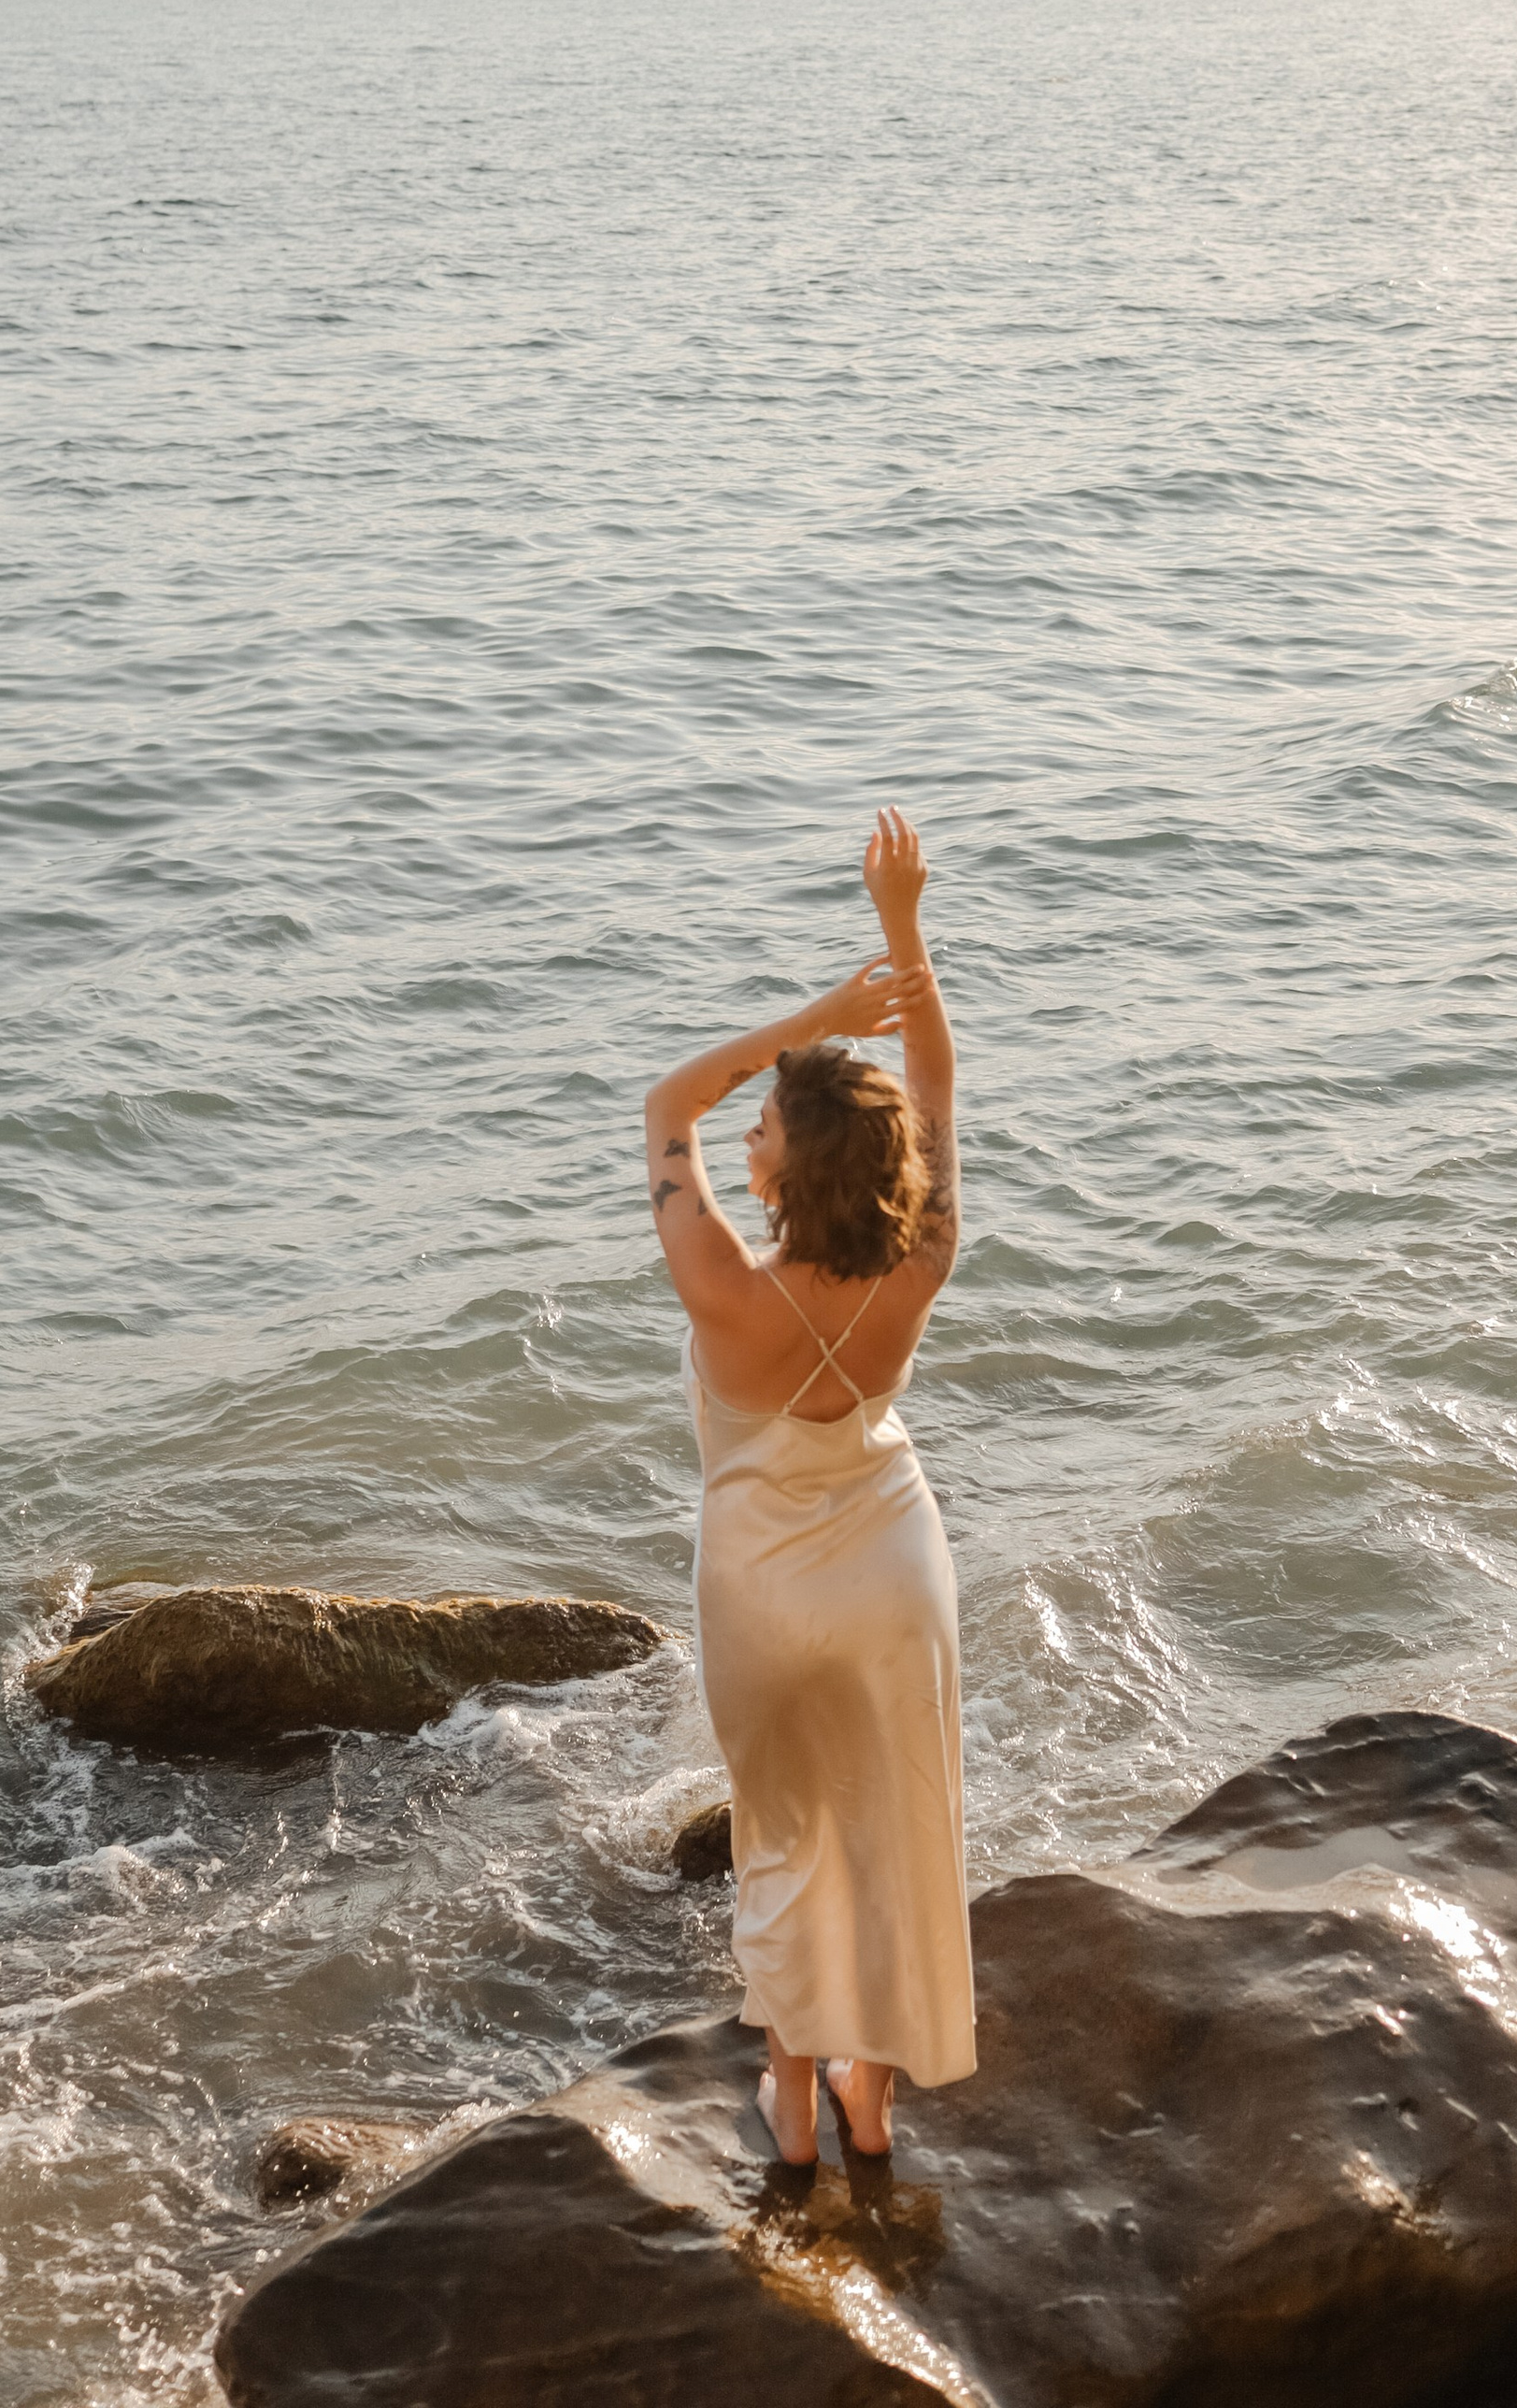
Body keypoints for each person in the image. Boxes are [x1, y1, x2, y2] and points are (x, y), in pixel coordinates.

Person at [643, 805, 973, 2168]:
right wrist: (901, 933)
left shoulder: (722, 1285)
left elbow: (670, 1104)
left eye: (768, 1124)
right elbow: (937, 1085)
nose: (753, 1131)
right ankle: (873, 2100)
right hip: (893, 1568)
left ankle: (791, 2106)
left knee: (784, 1839)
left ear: (774, 1165)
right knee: (901, 1827)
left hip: (764, 1589)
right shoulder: (925, 1256)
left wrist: (811, 1020)